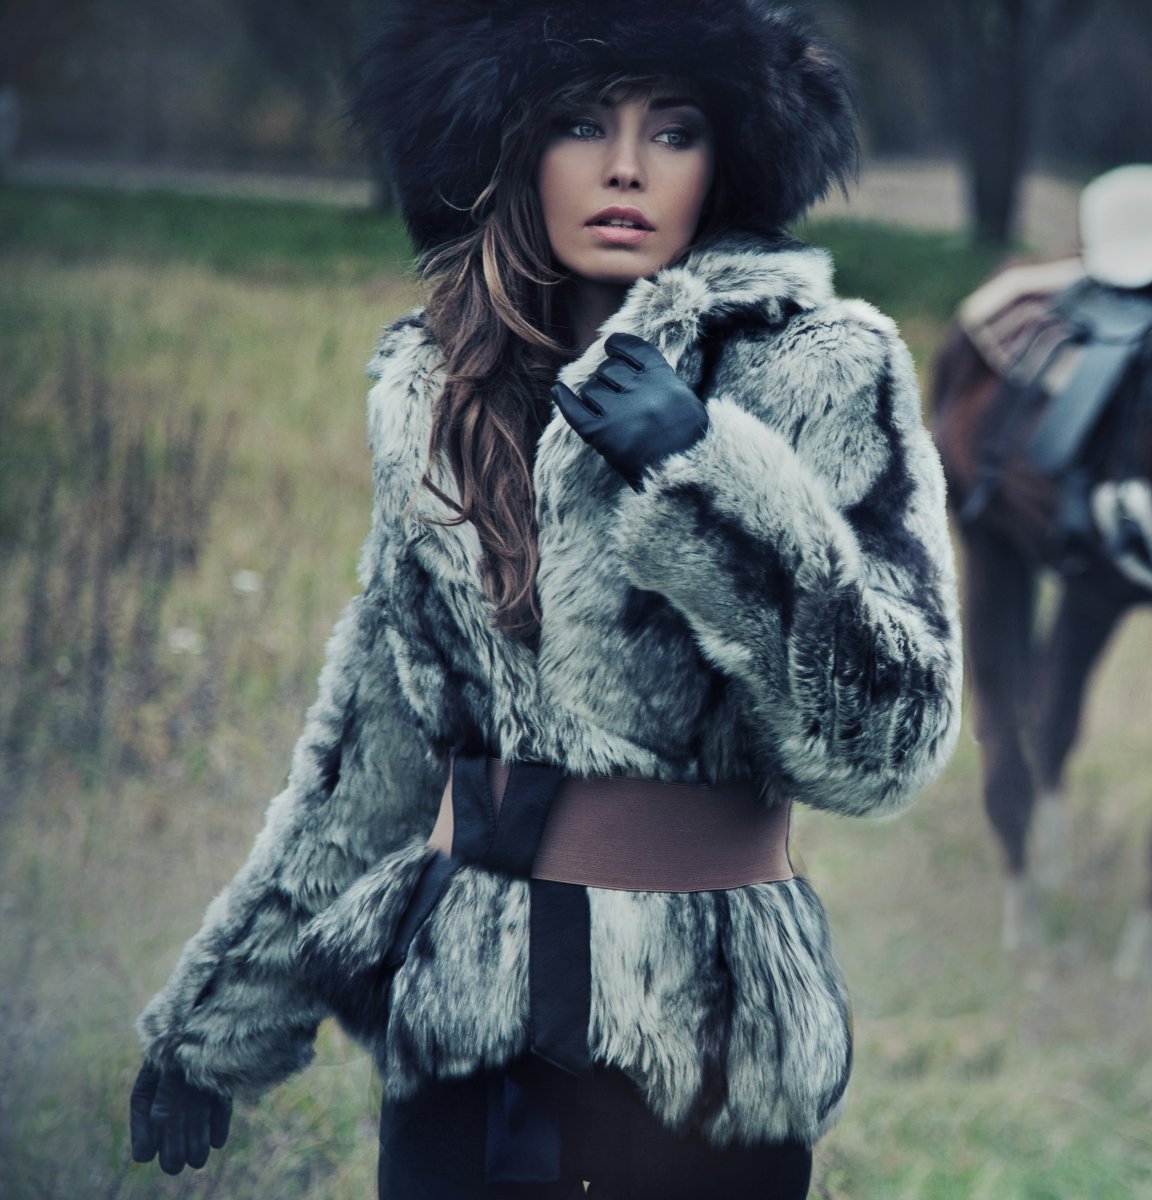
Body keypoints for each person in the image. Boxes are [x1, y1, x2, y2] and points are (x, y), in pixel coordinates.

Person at [126, 1, 961, 1194]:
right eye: (582, 122)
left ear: (724, 160)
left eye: (671, 132)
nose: (624, 167)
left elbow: (890, 746)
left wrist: (704, 474)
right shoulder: (435, 391)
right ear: (516, 145)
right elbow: (369, 754)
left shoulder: (818, 367)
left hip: (702, 1040)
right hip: (467, 1025)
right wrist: (218, 1020)